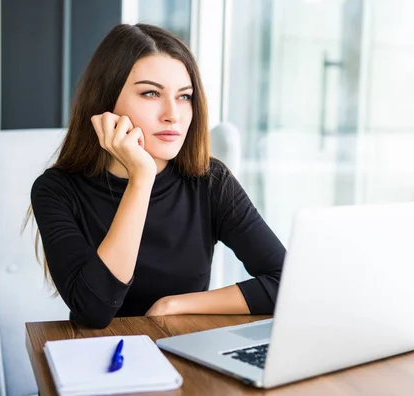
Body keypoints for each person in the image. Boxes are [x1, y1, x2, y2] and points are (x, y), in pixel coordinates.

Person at [28, 23, 285, 329]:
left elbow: (286, 282)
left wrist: (175, 304)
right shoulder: (56, 191)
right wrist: (141, 178)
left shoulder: (210, 181)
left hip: (185, 352)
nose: (172, 114)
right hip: (97, 358)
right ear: (105, 102)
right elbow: (94, 311)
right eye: (151, 93)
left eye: (184, 97)